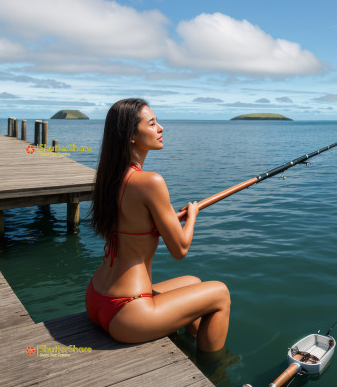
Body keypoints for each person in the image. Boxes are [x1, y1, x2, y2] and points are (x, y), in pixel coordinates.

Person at [85, 98, 230, 353]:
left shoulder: (110, 178)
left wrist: (168, 221)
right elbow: (180, 250)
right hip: (128, 310)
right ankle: (214, 370)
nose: (160, 128)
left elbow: (132, 225)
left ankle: (190, 342)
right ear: (131, 136)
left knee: (194, 282)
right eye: (152, 124)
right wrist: (193, 214)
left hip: (96, 298)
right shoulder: (150, 181)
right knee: (220, 293)